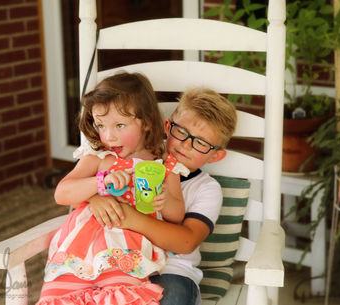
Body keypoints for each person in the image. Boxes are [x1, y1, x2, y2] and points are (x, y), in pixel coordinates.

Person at [37, 72, 189, 305]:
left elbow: (177, 214)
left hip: (126, 252)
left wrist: (165, 201)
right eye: (101, 125)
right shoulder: (100, 157)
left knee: (121, 299)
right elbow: (62, 193)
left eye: (119, 125)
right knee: (61, 298)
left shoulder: (164, 165)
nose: (109, 136)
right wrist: (100, 182)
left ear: (147, 122)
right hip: (78, 250)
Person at [89, 87, 238, 305]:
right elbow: (86, 186)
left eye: (201, 143)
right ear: (168, 126)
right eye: (181, 132)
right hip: (117, 265)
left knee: (173, 298)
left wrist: (130, 218)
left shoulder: (206, 188)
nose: (186, 145)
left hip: (171, 272)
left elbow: (186, 242)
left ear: (215, 156)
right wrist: (95, 198)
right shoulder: (135, 159)